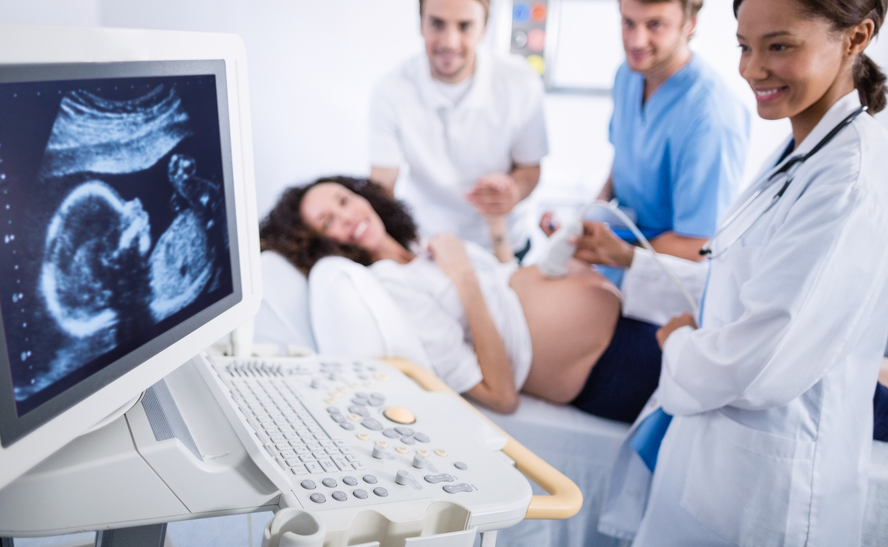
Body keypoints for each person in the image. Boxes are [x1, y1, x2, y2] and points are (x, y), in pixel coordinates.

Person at [596, 0, 888, 547]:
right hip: (717, 465)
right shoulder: (802, 150)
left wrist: (677, 342)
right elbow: (735, 274)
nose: (753, 69)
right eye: (745, 46)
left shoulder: (850, 180)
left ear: (857, 36)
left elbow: (758, 360)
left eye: (779, 46)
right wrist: (637, 272)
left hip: (772, 494)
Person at [260, 175, 664, 420]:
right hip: (608, 368)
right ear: (318, 245)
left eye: (344, 200)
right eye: (328, 222)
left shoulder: (417, 244)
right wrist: (464, 277)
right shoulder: (390, 285)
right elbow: (499, 396)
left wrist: (495, 224)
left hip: (626, 320)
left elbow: (504, 281)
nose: (347, 217)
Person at [560, 0, 749, 282]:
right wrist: (588, 218)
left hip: (668, 281)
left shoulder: (711, 116)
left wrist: (621, 253)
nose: (636, 41)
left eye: (655, 25)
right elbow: (623, 161)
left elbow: (701, 244)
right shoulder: (628, 75)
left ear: (689, 25)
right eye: (628, 22)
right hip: (621, 257)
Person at [369, 0, 548, 263]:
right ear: (421, 24)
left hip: (505, 242)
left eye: (465, 26)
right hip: (431, 244)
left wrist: (512, 190)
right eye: (437, 24)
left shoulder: (521, 82)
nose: (449, 42)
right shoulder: (391, 90)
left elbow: (530, 169)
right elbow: (382, 185)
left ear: (484, 28)